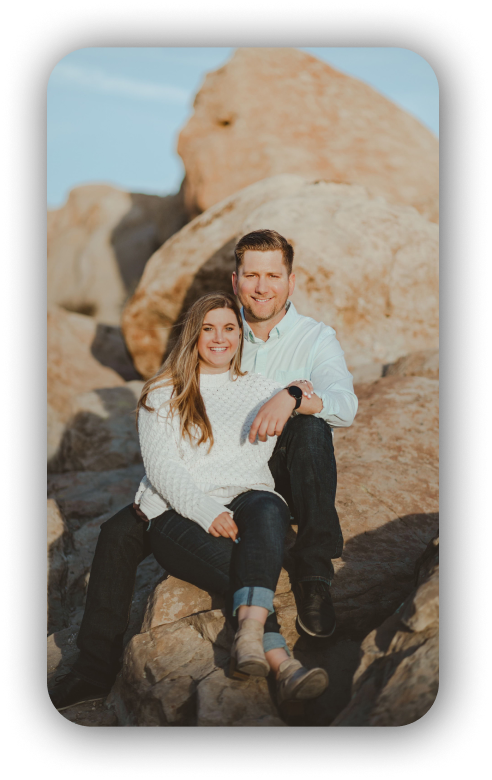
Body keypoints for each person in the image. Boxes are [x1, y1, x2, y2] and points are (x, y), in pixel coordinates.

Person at [49, 229, 357, 711]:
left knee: (309, 436)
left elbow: (343, 404)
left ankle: (312, 574)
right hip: (198, 486)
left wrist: (295, 395)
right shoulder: (176, 379)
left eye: (272, 276)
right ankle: (94, 667)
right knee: (118, 533)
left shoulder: (309, 342)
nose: (261, 286)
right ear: (235, 283)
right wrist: (203, 507)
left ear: (290, 282)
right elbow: (167, 459)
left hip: (267, 472)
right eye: (251, 275)